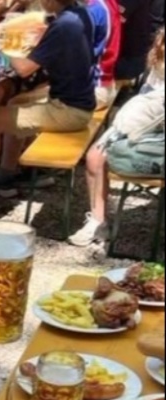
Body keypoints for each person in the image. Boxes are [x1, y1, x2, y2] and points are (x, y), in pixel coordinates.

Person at [0, 0, 97, 209]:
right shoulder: (79, 14)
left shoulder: (64, 25)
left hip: (70, 111)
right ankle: (8, 173)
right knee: (15, 102)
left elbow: (23, 69)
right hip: (80, 101)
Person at [69, 28, 165, 247]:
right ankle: (98, 220)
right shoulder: (158, 62)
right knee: (95, 157)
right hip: (146, 122)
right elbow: (146, 97)